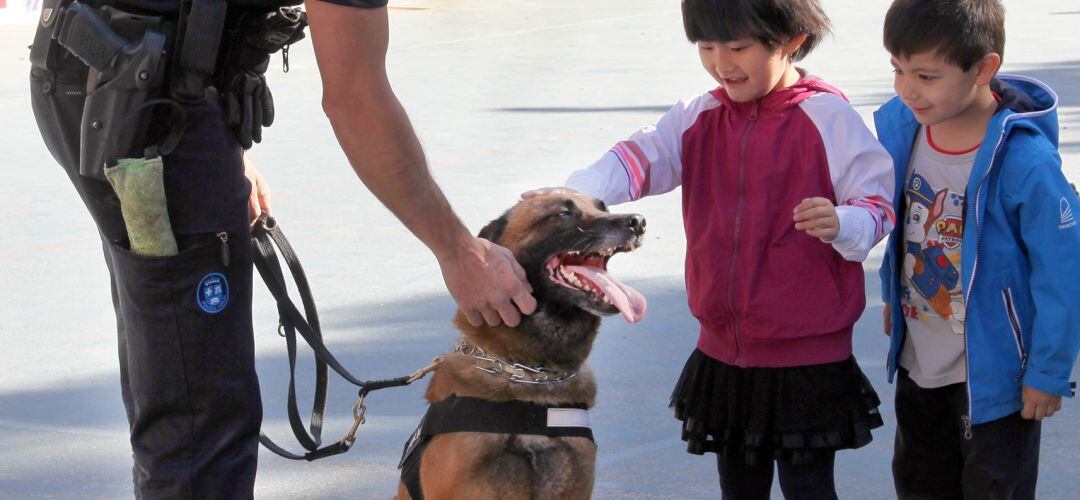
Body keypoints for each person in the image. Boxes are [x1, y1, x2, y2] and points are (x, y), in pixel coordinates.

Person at [29, 0, 535, 497]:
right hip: (147, 105)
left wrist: (221, 139)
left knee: (169, 369)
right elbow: (356, 98)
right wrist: (459, 251)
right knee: (198, 416)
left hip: (107, 78)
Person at [525, 0, 895, 497]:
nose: (722, 63)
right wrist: (572, 197)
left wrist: (843, 221)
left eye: (738, 47)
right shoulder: (698, 115)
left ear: (790, 41)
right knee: (738, 485)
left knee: (809, 485)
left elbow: (878, 202)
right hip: (723, 350)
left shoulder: (827, 116)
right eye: (706, 47)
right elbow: (638, 157)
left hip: (806, 354)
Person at [875, 0, 1080, 497]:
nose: (907, 90)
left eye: (926, 75)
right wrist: (890, 294)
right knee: (919, 483)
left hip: (996, 380)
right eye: (898, 70)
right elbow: (907, 228)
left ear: (984, 68)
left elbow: (1063, 272)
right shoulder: (907, 132)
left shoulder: (1025, 161)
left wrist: (1048, 372)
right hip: (919, 360)